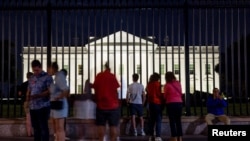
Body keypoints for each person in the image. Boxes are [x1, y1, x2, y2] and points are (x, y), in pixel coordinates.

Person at [92, 62, 120, 141]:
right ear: (109, 69)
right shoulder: (112, 76)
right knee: (113, 126)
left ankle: (101, 139)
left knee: (101, 126)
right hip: (113, 105)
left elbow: (95, 89)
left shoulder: (99, 76)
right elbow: (116, 89)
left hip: (101, 105)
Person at [26, 59, 53, 141]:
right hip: (33, 106)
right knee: (36, 128)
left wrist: (38, 95)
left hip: (43, 106)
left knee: (43, 127)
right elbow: (29, 90)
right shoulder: (32, 78)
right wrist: (28, 99)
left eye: (37, 70)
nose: (35, 72)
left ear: (40, 67)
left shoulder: (47, 77)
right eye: (34, 70)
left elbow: (50, 90)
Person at [48, 62, 69, 141]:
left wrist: (58, 97)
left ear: (52, 68)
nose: (48, 70)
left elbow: (66, 90)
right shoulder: (56, 77)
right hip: (56, 105)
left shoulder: (59, 76)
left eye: (49, 68)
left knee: (59, 128)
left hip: (59, 105)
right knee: (57, 127)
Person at [164, 71, 183, 141]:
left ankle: (174, 137)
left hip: (171, 103)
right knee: (178, 120)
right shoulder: (178, 83)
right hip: (179, 103)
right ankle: (180, 137)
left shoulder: (167, 85)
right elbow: (181, 92)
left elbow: (165, 95)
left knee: (172, 121)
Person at [146, 72, 163, 141]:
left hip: (151, 103)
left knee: (152, 120)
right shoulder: (159, 85)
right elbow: (160, 94)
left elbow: (148, 92)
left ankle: (151, 135)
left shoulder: (149, 85)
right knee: (158, 120)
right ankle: (158, 136)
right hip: (157, 103)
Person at [18, 72, 33, 137]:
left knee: (28, 118)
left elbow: (19, 94)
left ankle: (29, 133)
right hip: (33, 102)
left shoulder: (23, 84)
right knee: (34, 118)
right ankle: (32, 132)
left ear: (27, 77)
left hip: (25, 102)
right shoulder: (33, 84)